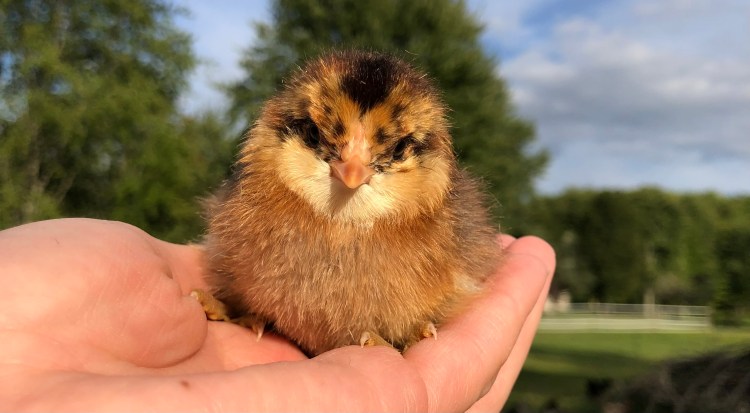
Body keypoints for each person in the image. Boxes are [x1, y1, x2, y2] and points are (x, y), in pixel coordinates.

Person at [0, 218, 555, 411]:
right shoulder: (260, 202)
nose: (354, 169)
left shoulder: (439, 223)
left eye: (394, 149)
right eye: (320, 136)